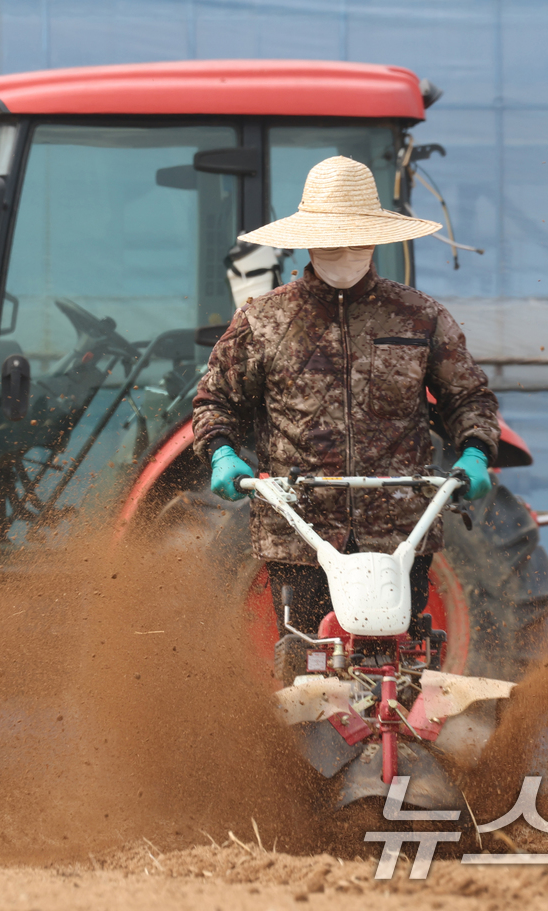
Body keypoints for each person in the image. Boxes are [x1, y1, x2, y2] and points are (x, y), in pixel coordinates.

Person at [191, 155, 499, 640]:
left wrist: (477, 451)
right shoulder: (264, 322)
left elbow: (469, 399)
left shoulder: (419, 318)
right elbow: (216, 403)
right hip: (301, 533)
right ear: (308, 241)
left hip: (399, 533)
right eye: (331, 241)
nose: (342, 252)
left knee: (401, 660)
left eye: (352, 239)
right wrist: (223, 452)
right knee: (306, 664)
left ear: (375, 238)